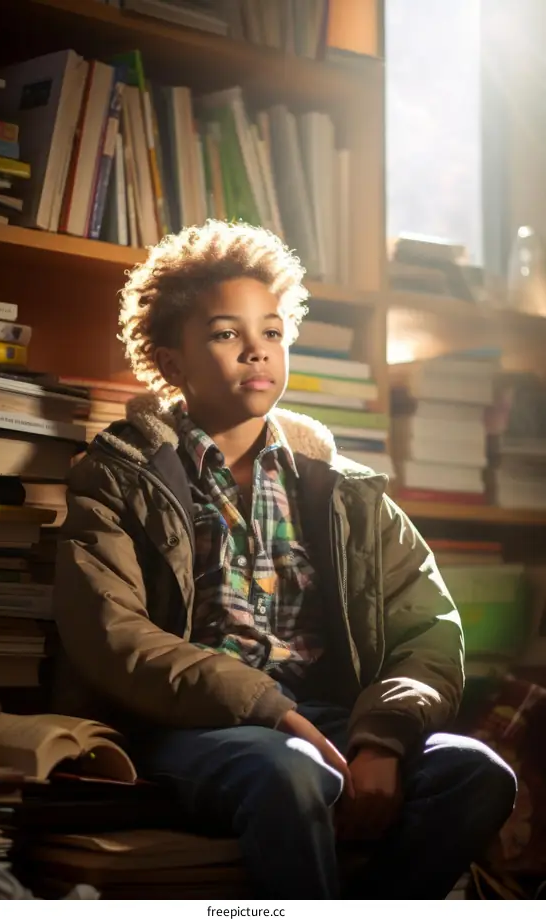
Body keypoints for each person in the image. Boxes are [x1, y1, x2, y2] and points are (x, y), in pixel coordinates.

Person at [54, 221, 516, 899]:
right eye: (225, 333)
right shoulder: (120, 476)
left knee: (476, 773)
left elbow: (430, 629)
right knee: (292, 771)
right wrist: (268, 708)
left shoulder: (342, 490)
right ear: (172, 361)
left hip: (327, 720)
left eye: (271, 332)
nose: (255, 351)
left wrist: (383, 737)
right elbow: (112, 634)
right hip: (192, 727)